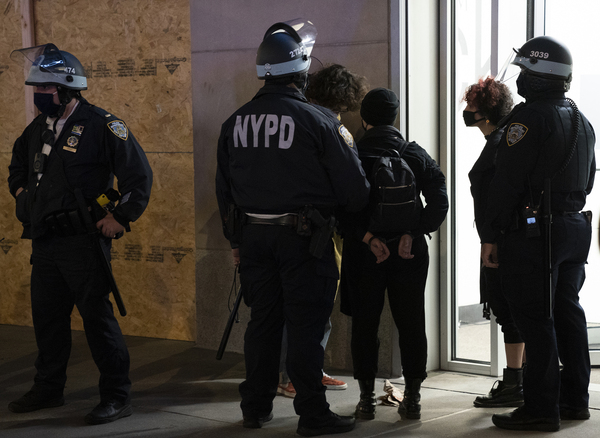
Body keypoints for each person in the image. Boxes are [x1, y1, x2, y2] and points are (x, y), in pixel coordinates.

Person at [215, 19, 370, 437]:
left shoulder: (235, 122)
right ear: (301, 72)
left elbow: (224, 189)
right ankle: (312, 414)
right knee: (305, 327)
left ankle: (255, 407)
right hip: (305, 241)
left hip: (253, 240)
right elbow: (356, 190)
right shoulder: (319, 121)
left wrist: (236, 241)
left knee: (263, 324)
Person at [7, 44, 153, 424]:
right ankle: (48, 388)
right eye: (36, 90)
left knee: (96, 319)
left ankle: (117, 396)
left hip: (84, 242)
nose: (39, 97)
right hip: (46, 241)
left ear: (69, 89)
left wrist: (121, 217)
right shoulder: (38, 128)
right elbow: (17, 167)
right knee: (48, 319)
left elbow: (139, 177)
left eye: (46, 91)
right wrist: (23, 196)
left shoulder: (103, 125)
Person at [480, 36, 595, 432]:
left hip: (534, 232)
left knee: (535, 318)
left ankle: (541, 408)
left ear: (542, 76)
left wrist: (491, 234)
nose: (522, 79)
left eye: (527, 71)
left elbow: (506, 182)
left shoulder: (528, 119)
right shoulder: (583, 120)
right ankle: (575, 400)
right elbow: (589, 179)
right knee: (568, 312)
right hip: (575, 227)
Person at [340, 88, 448, 420]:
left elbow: (342, 207)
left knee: (364, 324)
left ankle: (365, 400)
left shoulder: (355, 154)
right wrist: (412, 234)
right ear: (395, 116)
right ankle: (412, 398)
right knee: (412, 322)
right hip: (408, 253)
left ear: (364, 118)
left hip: (365, 253)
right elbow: (440, 200)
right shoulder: (414, 153)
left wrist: (368, 237)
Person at [277, 64, 370, 398]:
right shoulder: (328, 124)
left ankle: (294, 373)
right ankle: (299, 377)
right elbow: (352, 185)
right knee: (313, 308)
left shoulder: (292, 119)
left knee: (288, 308)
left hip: (277, 228)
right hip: (318, 230)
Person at [462, 77, 526, 408]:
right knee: (511, 309)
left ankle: (515, 381)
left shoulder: (501, 142)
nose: (466, 111)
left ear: (485, 111)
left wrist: (491, 239)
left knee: (508, 309)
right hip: (500, 237)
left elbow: (499, 195)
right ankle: (519, 378)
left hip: (501, 240)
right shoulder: (500, 140)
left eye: (471, 105)